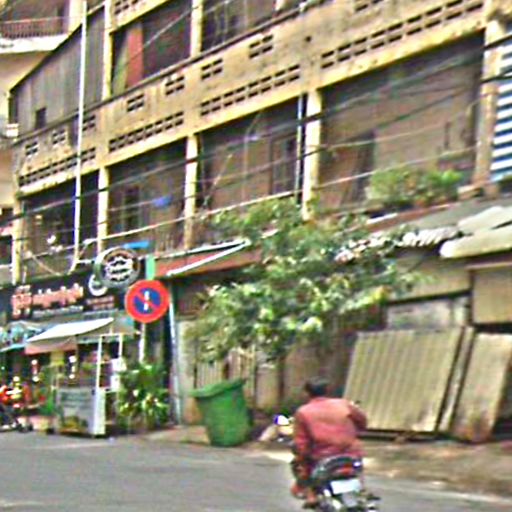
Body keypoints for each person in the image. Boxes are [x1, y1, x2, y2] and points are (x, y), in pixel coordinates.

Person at [291, 377, 367, 508]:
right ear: (327, 391)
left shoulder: (303, 412)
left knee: (299, 465)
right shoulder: (343, 404)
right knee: (356, 470)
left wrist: (300, 457)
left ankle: (311, 495)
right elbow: (362, 422)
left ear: (307, 393)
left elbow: (301, 443)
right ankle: (361, 491)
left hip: (322, 456)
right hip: (351, 453)